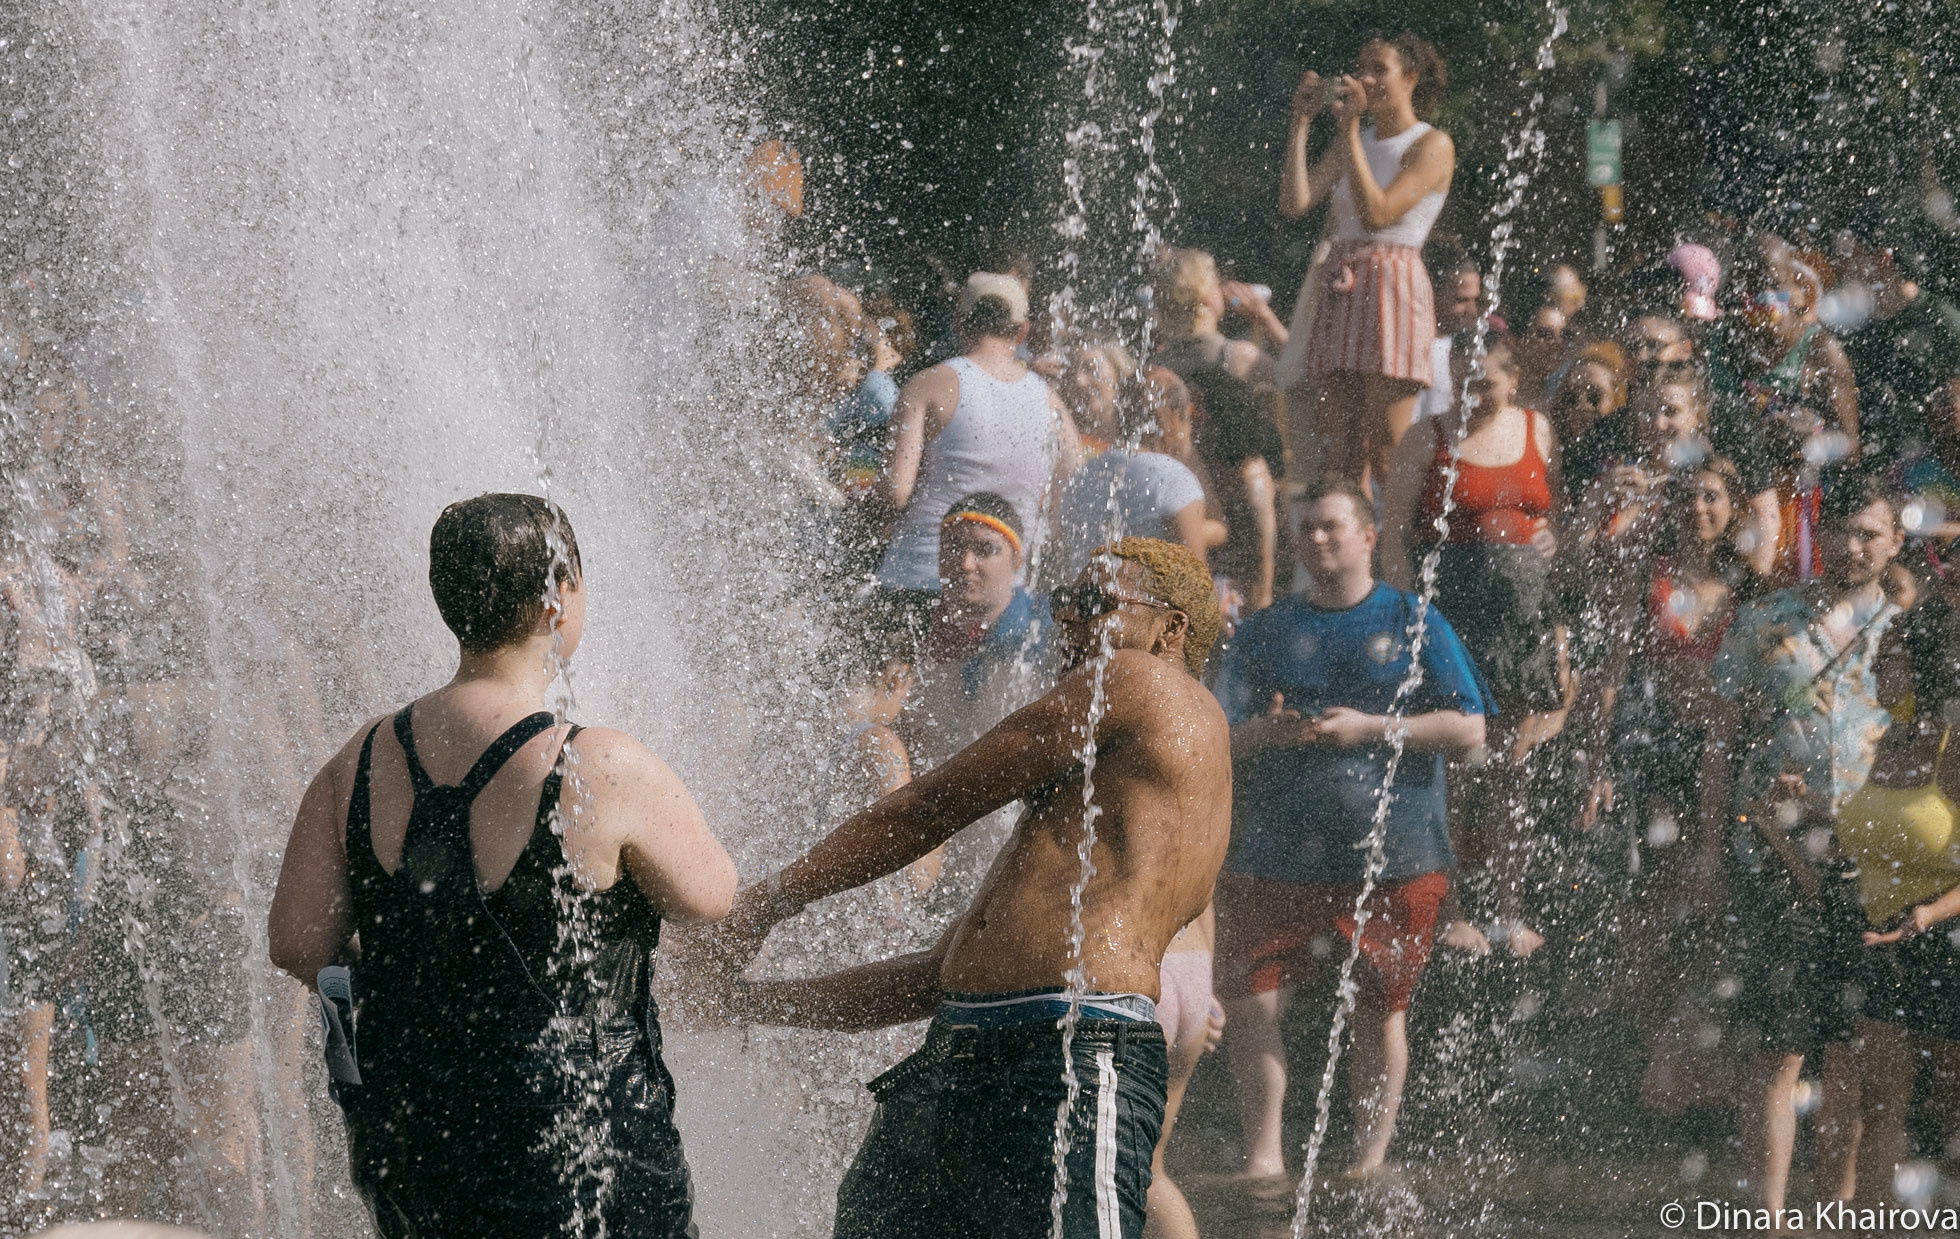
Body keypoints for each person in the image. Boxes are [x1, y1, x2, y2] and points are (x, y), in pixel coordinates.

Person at [713, 537, 1230, 1239]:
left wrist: (766, 901)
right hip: (976, 1051)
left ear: (1171, 629)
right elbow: (936, 978)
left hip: (1069, 1056)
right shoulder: (1089, 825)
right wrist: (742, 1004)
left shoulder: (1140, 680)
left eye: (1098, 605)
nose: (1072, 624)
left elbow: (932, 806)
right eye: (1066, 605)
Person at [267, 494, 738, 1238]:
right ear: (561, 594)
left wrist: (419, 967)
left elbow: (297, 942)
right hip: (584, 1148)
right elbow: (712, 895)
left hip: (421, 1144)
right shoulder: (598, 764)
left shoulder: (355, 763)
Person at [1213, 478, 1489, 1181]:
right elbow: (1214, 736)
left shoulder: (1415, 619)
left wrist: (1370, 727)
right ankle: (1263, 1158)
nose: (1316, 539)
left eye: (1332, 526)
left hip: (1392, 855)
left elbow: (1471, 732)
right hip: (1273, 853)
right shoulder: (1265, 630)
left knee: (1377, 1012)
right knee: (1250, 1003)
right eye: (1306, 528)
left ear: (1369, 535)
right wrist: (1267, 732)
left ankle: (1369, 1160)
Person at [1713, 472, 1909, 1220]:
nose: (1853, 545)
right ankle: (1763, 1220)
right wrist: (1706, 854)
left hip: (1874, 858)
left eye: (1871, 534)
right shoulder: (1770, 618)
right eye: (1842, 531)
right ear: (1818, 534)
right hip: (1775, 852)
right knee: (1777, 1048)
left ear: (1897, 543)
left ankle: (1837, 1212)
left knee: (1854, 1055)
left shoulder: (1912, 629)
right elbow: (1722, 744)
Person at [1380, 335, 1567, 954]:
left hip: (1522, 616)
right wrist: (1415, 622)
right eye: (1462, 381)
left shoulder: (1539, 430)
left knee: (1513, 769)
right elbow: (1393, 539)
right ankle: (1453, 910)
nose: (1473, 395)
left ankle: (1509, 913)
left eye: (1485, 382)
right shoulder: (1426, 438)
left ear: (1513, 380)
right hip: (1452, 616)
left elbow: (1551, 519)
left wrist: (1548, 545)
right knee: (1455, 766)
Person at [1282, 33, 1455, 488]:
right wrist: (1301, 124)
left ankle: (1399, 550)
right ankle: (1355, 550)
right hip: (1343, 285)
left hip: (1392, 286)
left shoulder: (1431, 144)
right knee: (1341, 452)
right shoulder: (1354, 140)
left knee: (1385, 449)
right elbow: (1296, 202)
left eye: (1380, 69)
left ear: (1410, 78)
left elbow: (1378, 214)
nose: (1365, 78)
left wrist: (1349, 132)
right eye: (1362, 68)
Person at [1835, 579, 1960, 1205]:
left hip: (1945, 939)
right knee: (1877, 1100)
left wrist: (1930, 914)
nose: (1880, 664)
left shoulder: (1951, 746)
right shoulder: (1879, 740)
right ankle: (1869, 1221)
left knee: (1948, 1105)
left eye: (1893, 655)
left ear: (1924, 664)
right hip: (1881, 938)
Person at [872, 273, 1084, 639]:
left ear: (959, 320)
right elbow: (1071, 508)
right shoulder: (1053, 404)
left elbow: (896, 491)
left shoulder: (930, 383)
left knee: (895, 693)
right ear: (1022, 332)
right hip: (1004, 598)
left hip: (921, 579)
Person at [1152, 248, 1286, 611]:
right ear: (1210, 298)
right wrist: (1264, 316)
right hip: (1235, 482)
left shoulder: (1157, 364)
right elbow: (1299, 380)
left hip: (1182, 484)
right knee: (1258, 475)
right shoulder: (1234, 355)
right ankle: (1264, 595)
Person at [1057, 366, 1225, 577]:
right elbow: (1193, 586)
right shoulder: (1174, 479)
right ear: (1176, 417)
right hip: (1144, 607)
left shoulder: (1085, 475)